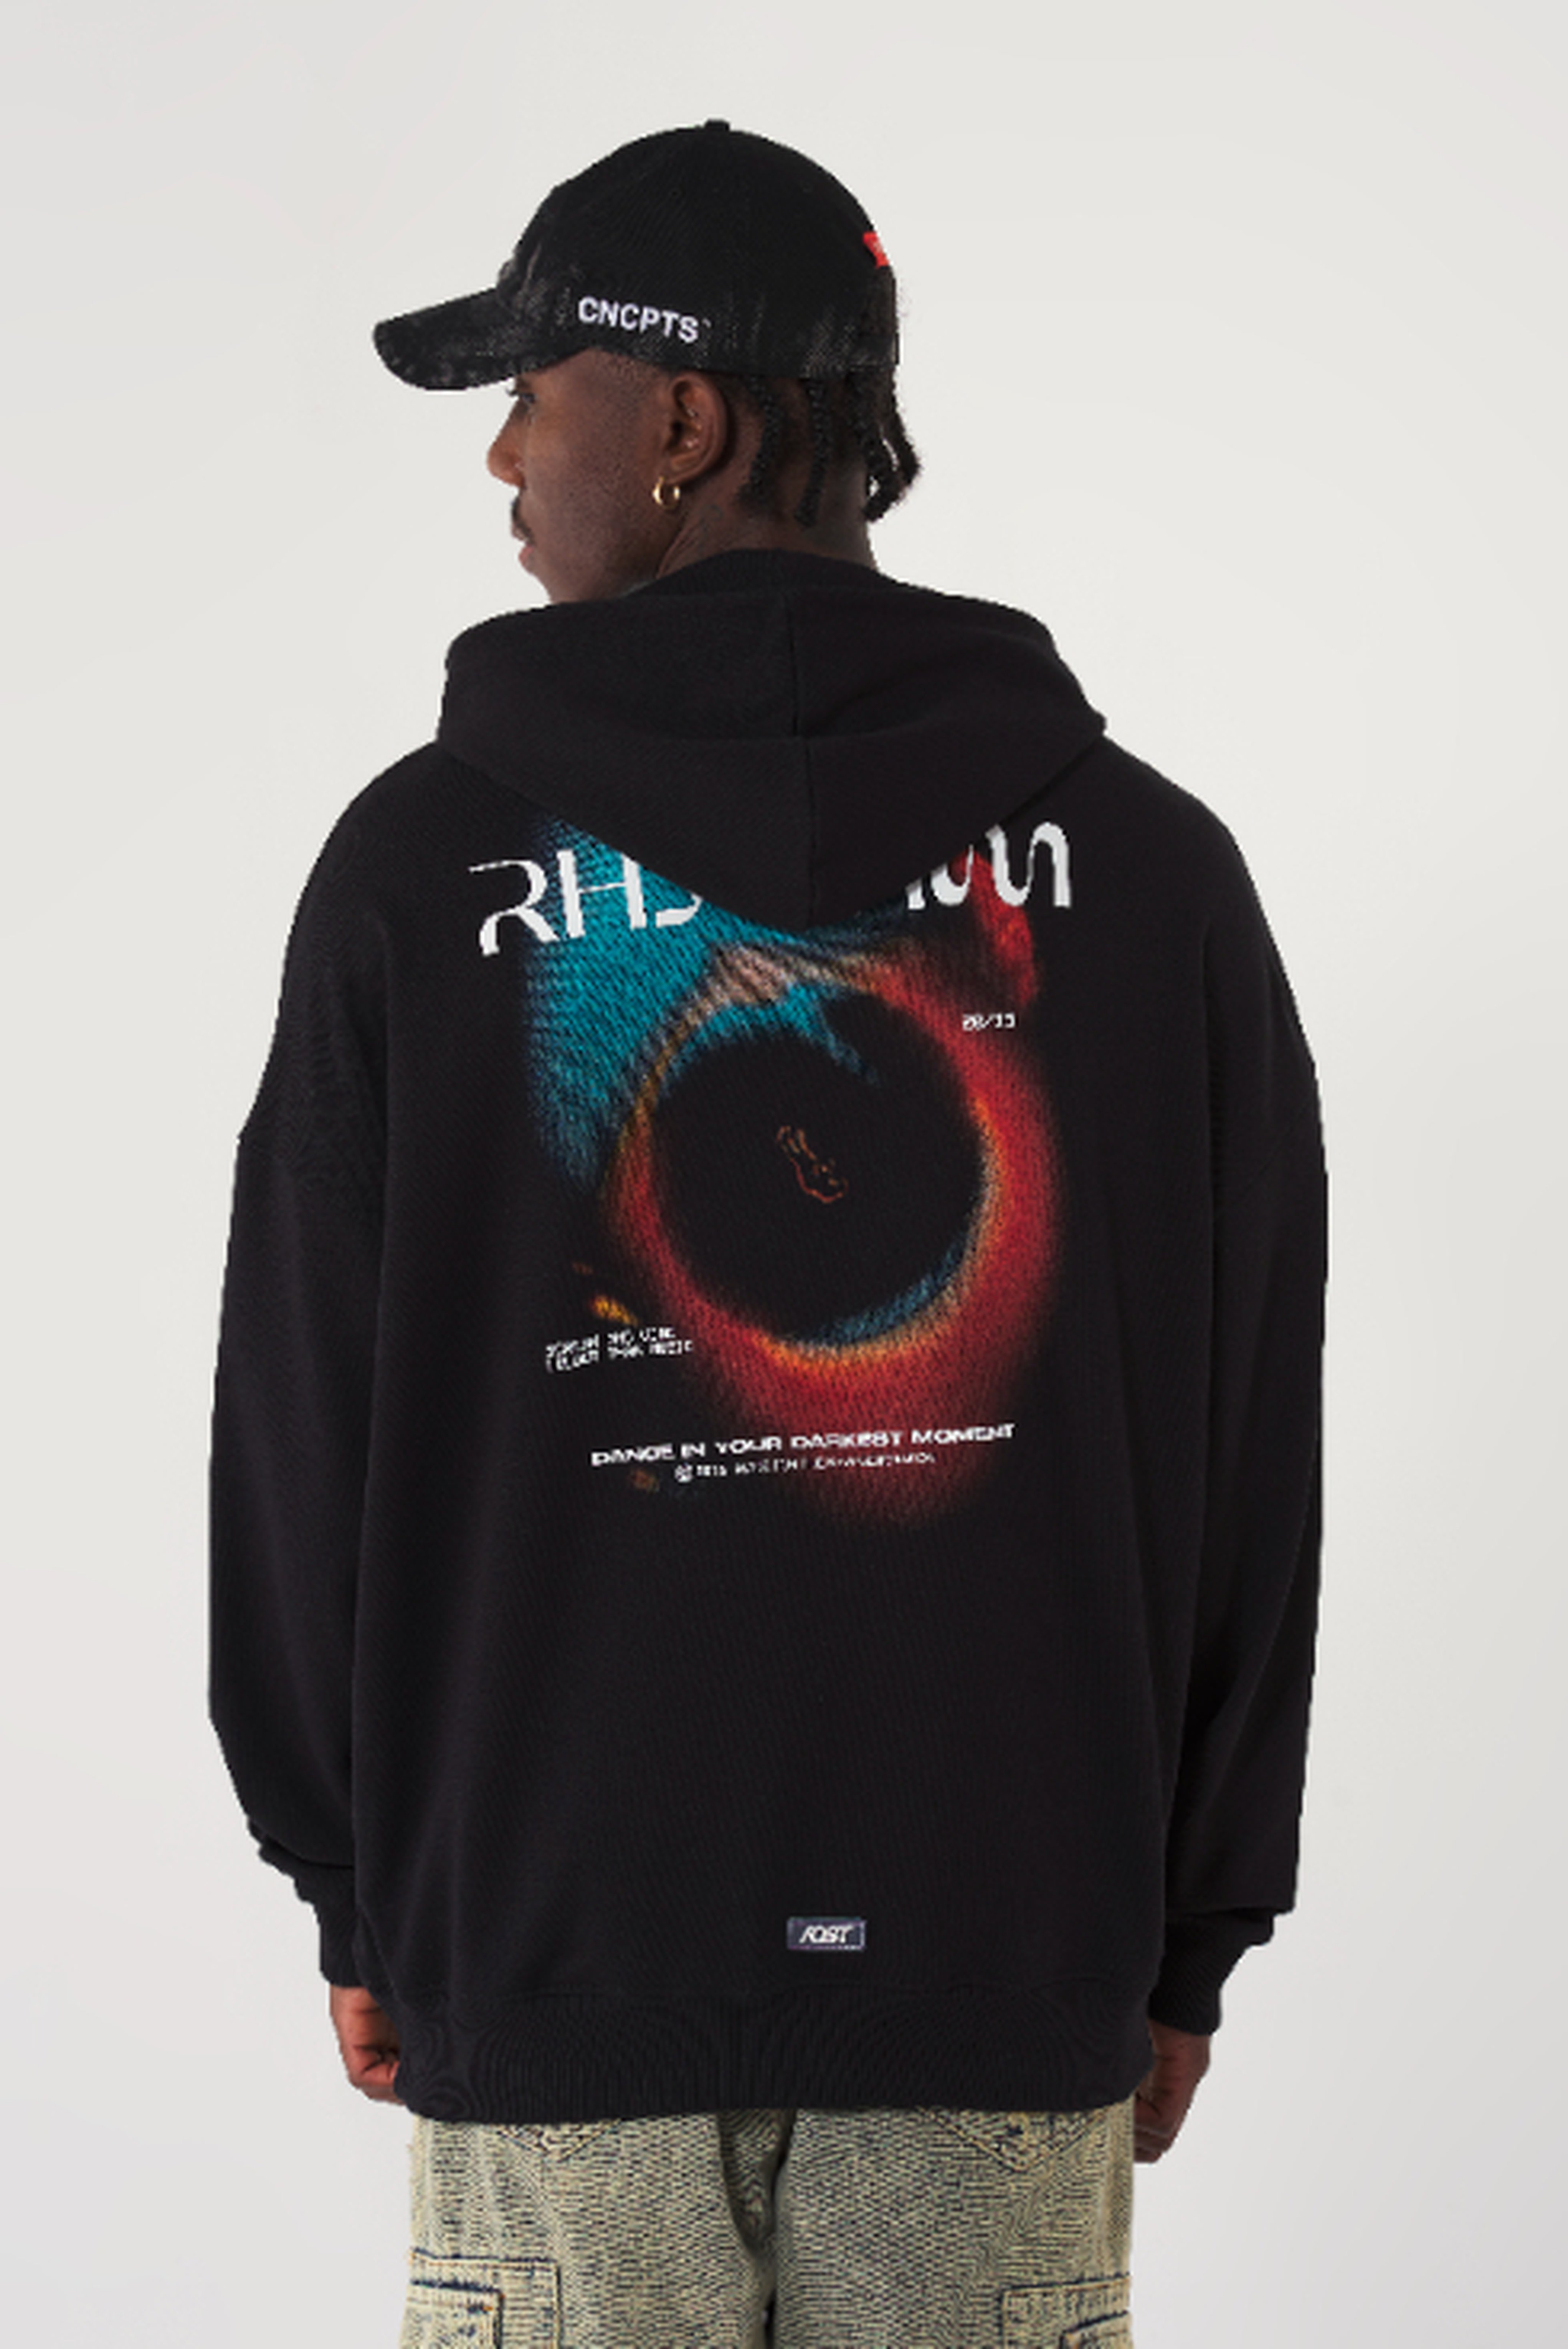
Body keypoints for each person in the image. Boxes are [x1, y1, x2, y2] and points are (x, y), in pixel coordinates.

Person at [210, 120, 1325, 2348]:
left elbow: (300, 1420)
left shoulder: (420, 874)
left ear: (688, 426)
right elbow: (1245, 1444)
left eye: (534, 392)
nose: (504, 456)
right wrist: (1188, 1927)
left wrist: (358, 1879)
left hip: (550, 1943)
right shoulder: (1149, 873)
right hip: (1007, 1954)